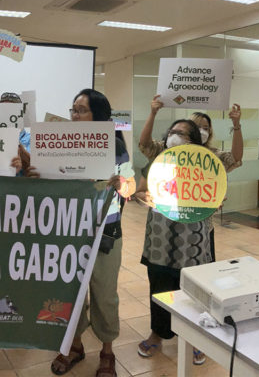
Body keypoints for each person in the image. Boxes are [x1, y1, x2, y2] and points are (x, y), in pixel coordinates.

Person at [135, 95, 242, 365]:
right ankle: (158, 333)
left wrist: (215, 196)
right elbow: (144, 145)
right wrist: (153, 112)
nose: (175, 136)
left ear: (195, 139)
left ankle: (194, 337)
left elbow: (234, 160)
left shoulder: (208, 160)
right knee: (160, 286)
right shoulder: (161, 156)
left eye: (182, 133)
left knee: (194, 289)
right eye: (173, 131)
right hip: (161, 236)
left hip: (193, 238)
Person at [45, 89, 129, 377]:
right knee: (72, 293)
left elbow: (129, 185)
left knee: (105, 295)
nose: (74, 115)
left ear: (99, 115)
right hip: (69, 230)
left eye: (81, 110)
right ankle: (75, 346)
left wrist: (121, 183)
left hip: (106, 232)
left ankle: (107, 351)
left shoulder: (115, 145)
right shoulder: (60, 143)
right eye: (73, 110)